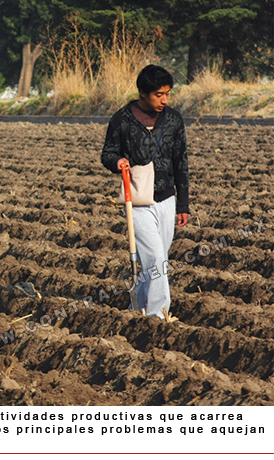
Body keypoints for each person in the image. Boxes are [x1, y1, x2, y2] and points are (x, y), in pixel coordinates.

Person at [101, 64, 189, 319]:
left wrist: (183, 205)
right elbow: (108, 153)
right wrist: (117, 162)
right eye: (158, 94)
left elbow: (180, 162)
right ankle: (157, 316)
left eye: (167, 94)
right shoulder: (123, 119)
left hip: (166, 199)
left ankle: (137, 307)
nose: (164, 99)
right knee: (156, 260)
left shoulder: (173, 120)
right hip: (137, 197)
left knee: (155, 262)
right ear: (143, 93)